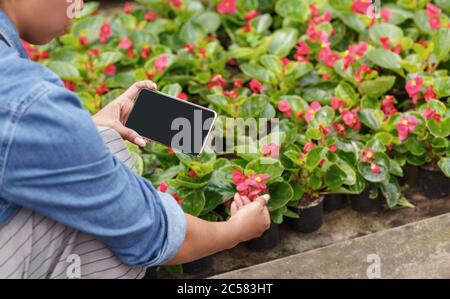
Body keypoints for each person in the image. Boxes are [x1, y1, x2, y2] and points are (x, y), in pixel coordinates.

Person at [0, 0, 271, 279]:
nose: (78, 8)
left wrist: (83, 129)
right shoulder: (26, 99)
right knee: (103, 227)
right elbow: (146, 231)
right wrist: (234, 231)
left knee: (104, 140)